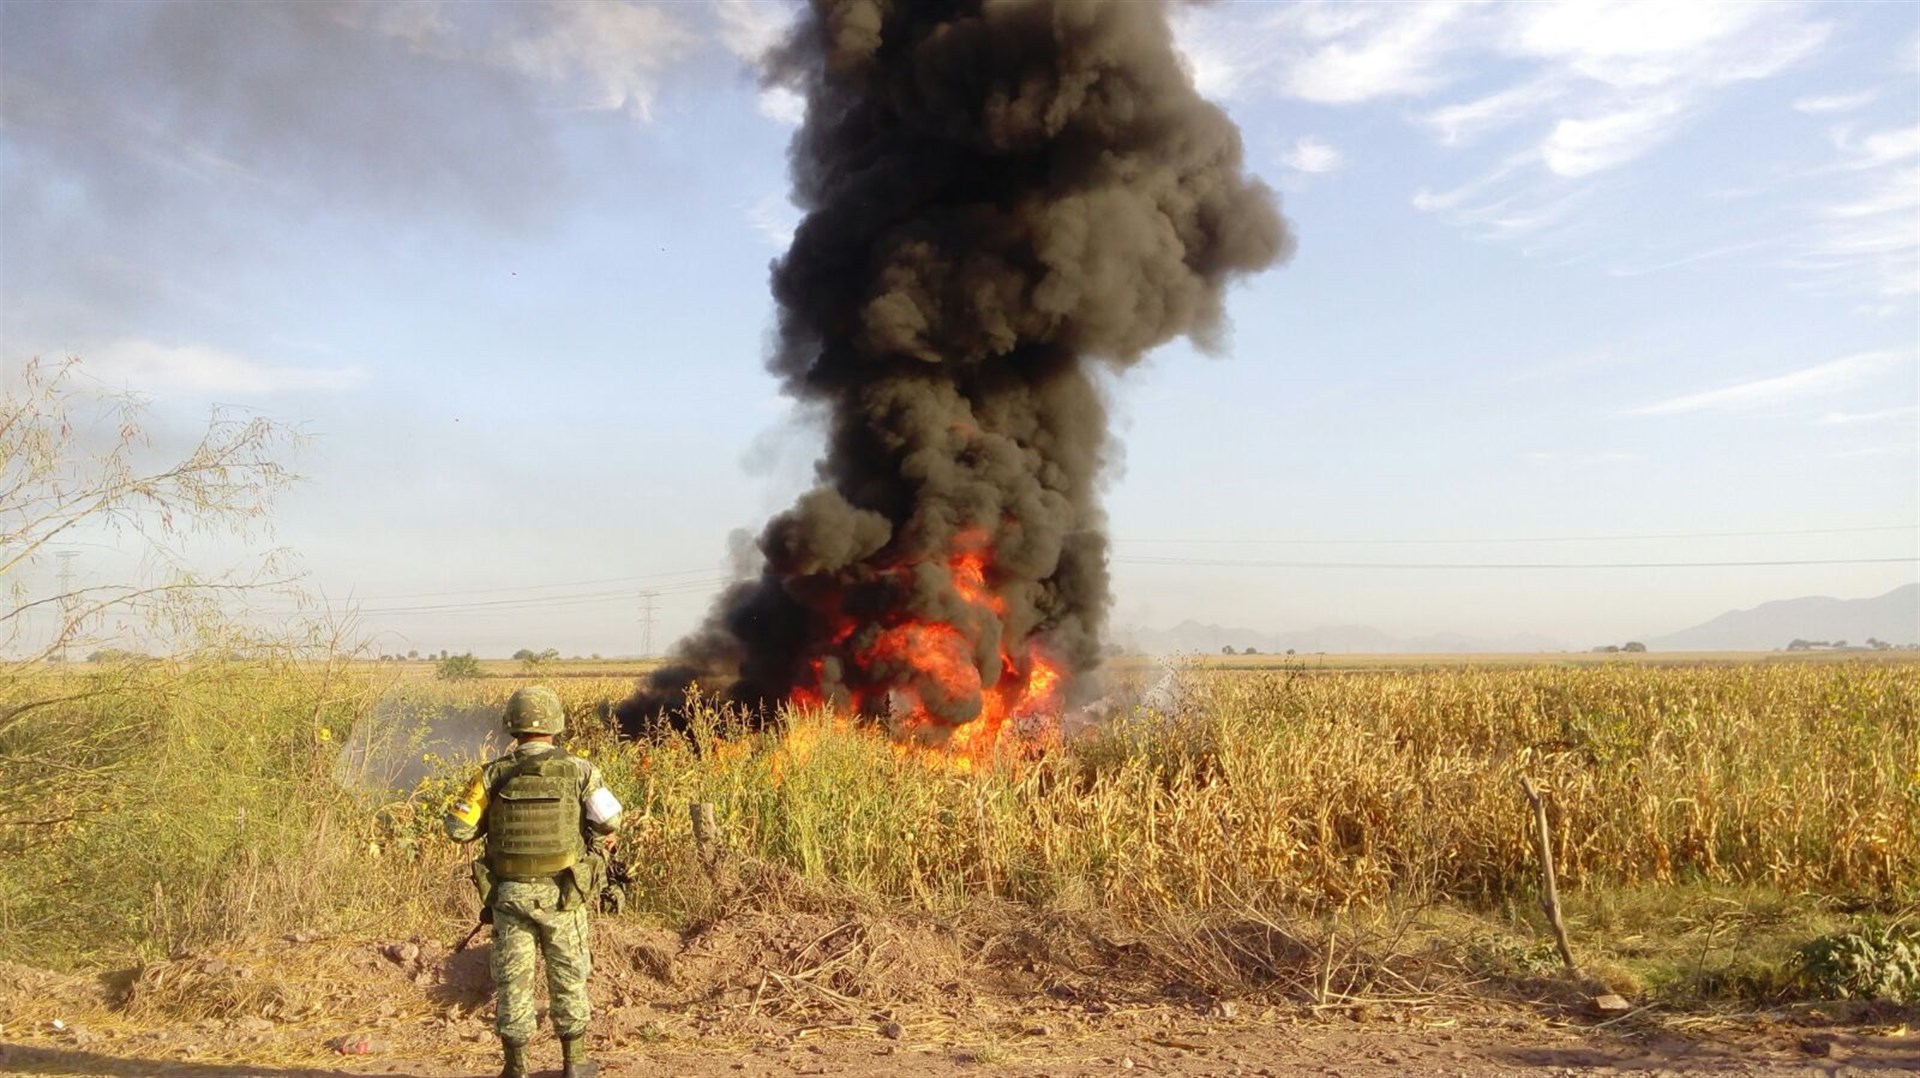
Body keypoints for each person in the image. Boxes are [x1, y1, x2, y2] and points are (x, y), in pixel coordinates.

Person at [445, 686, 623, 1078]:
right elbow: (610, 820)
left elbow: (458, 829)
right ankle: (575, 1062)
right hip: (564, 894)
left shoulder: (492, 774)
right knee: (569, 976)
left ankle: (516, 1067)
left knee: (513, 981)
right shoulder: (581, 771)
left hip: (509, 896)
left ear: (512, 725)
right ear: (557, 724)